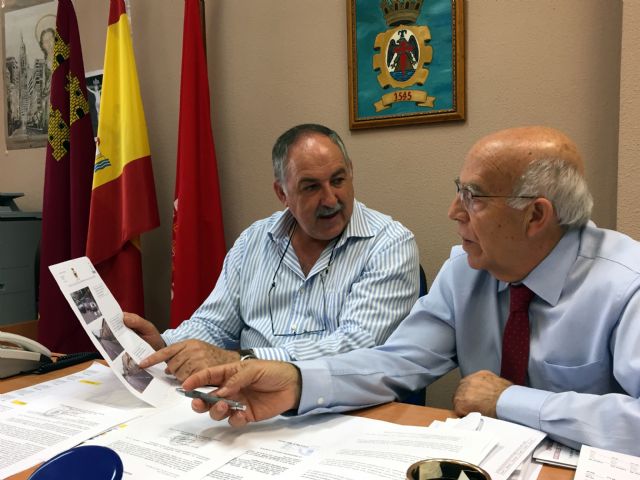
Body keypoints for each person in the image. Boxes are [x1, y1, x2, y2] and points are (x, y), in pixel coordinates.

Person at [182, 126, 640, 456]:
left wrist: (508, 400)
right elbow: (396, 361)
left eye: (474, 197)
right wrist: (297, 384)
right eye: (458, 191)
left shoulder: (625, 285)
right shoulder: (467, 270)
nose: (453, 211)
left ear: (535, 216)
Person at [126, 123, 420, 381]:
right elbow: (214, 324)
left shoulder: (389, 244)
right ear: (282, 194)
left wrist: (242, 361)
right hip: (246, 397)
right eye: (311, 187)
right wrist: (163, 346)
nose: (331, 199)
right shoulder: (254, 241)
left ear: (351, 172)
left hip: (342, 405)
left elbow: (355, 348)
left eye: (338, 180)